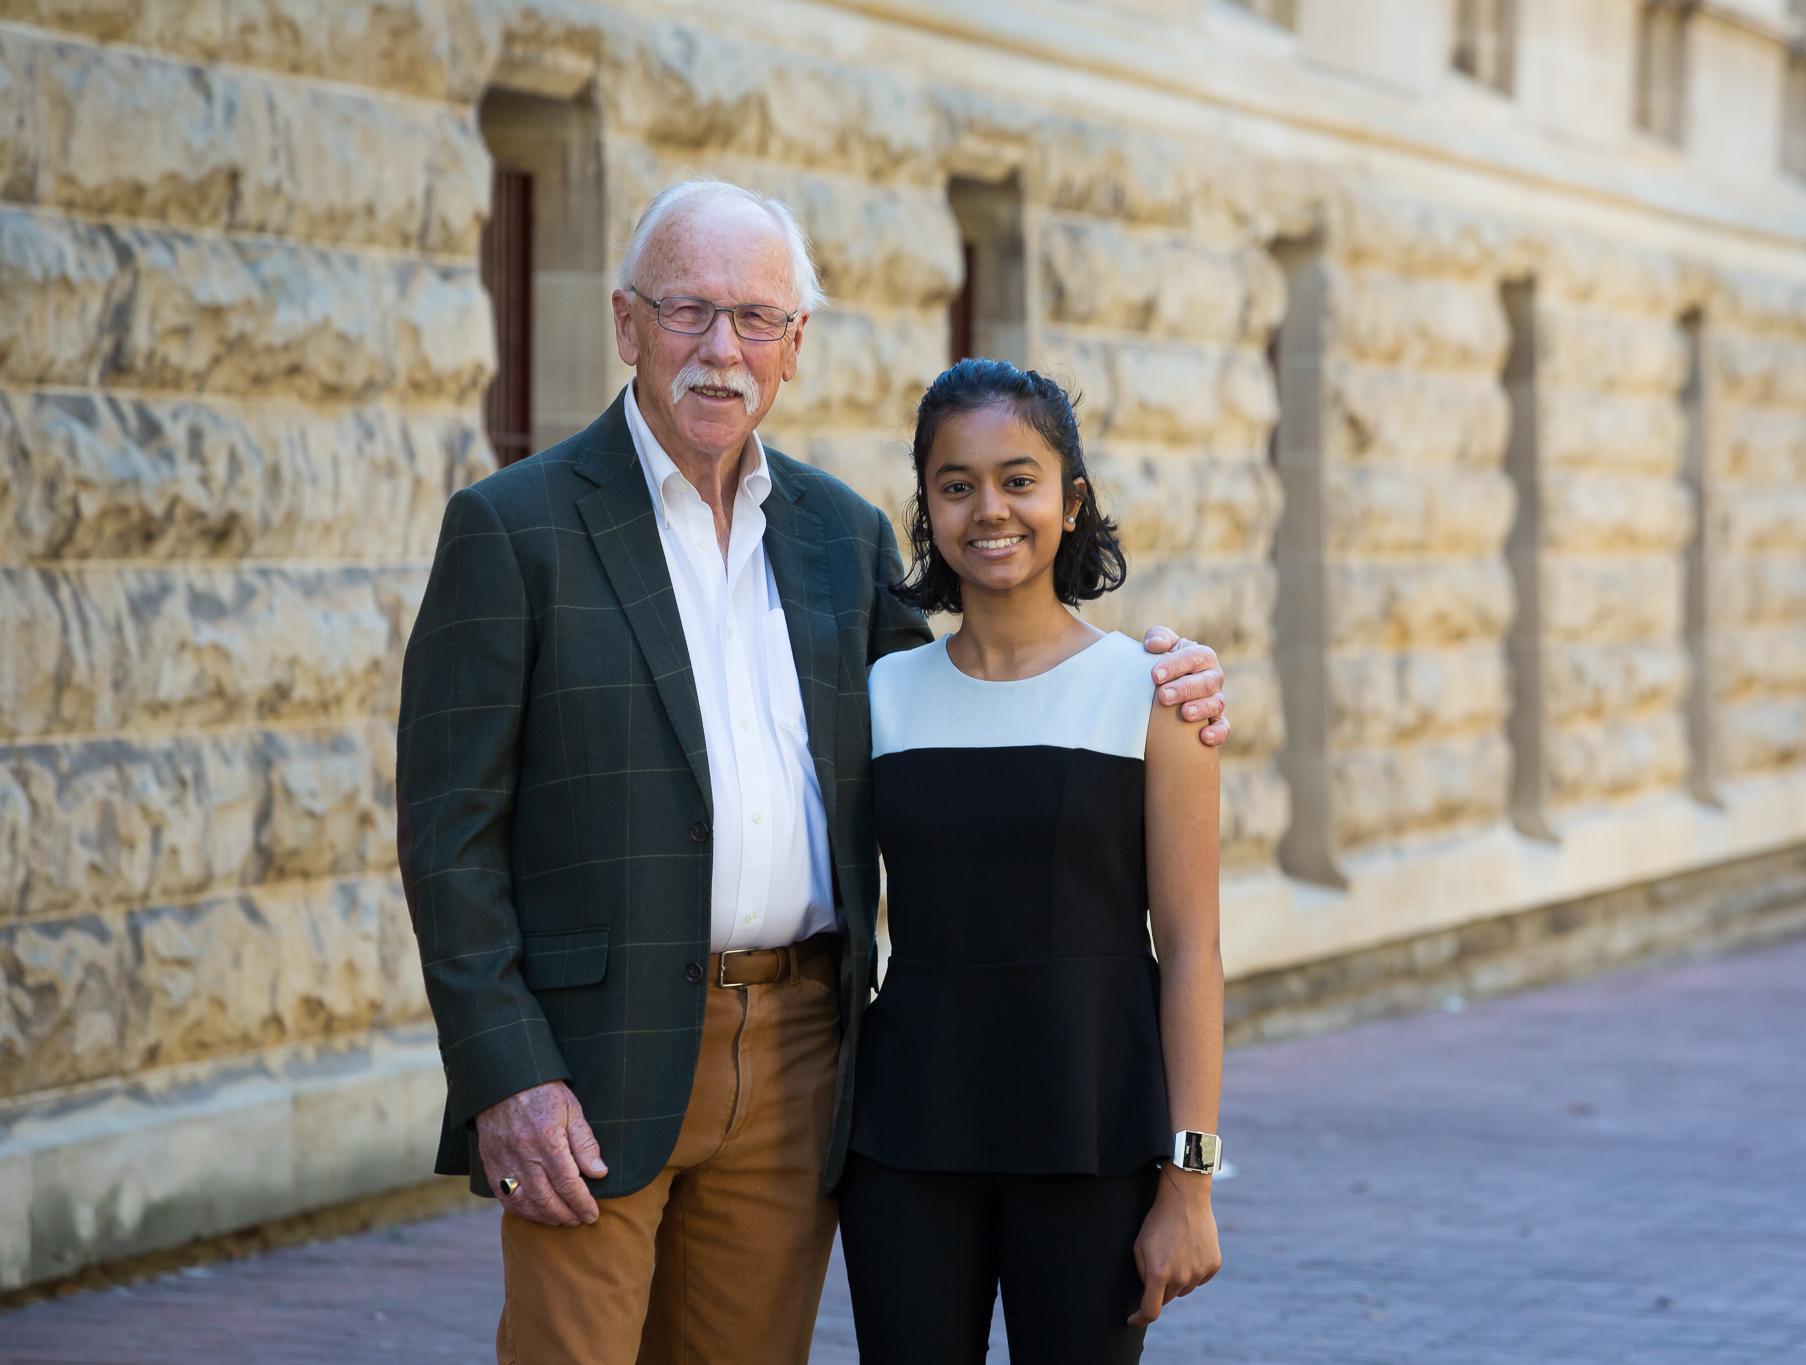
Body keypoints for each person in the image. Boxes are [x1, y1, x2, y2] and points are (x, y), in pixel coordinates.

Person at [393, 178, 1231, 1365]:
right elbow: (447, 839)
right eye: (686, 312)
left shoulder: (841, 540)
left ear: (794, 347)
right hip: (594, 1059)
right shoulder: (513, 529)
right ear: (626, 325)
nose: (719, 349)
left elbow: (980, 699)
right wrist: (503, 1077)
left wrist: (1171, 673)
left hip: (800, 1062)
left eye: (752, 318)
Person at [837, 359, 1225, 1364]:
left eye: (1018, 479)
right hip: (907, 1144)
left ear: (1070, 499)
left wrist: (1188, 1180)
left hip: (1091, 1136)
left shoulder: (1152, 693)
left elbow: (1190, 952)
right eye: (955, 485)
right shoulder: (880, 695)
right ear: (925, 506)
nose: (989, 510)